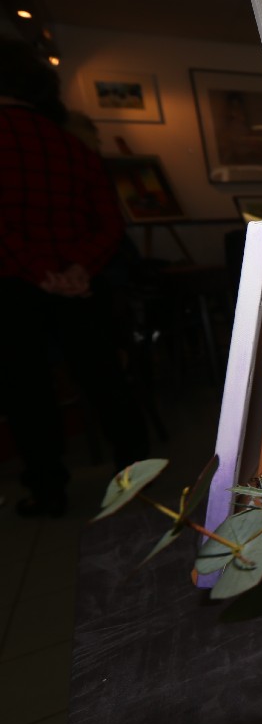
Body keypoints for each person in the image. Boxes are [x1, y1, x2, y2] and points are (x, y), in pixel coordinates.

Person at [0, 39, 149, 516]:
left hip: (18, 282)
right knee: (106, 379)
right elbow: (109, 222)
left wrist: (40, 272)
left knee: (27, 391)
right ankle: (137, 476)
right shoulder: (72, 145)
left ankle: (48, 490)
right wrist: (78, 268)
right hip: (80, 281)